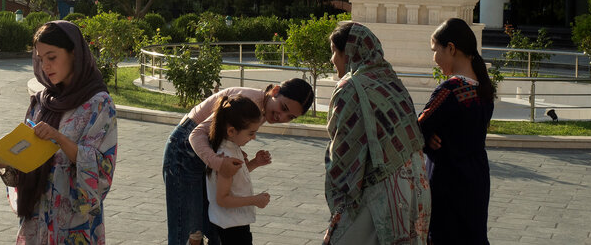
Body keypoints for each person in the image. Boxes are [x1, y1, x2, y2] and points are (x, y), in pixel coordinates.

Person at [0, 20, 117, 244]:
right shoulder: (43, 102)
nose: (46, 66)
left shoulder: (98, 104)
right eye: (40, 59)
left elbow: (100, 167)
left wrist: (58, 138)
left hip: (74, 224)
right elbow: (25, 158)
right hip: (37, 220)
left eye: (52, 57)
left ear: (74, 54)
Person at [163, 78, 314, 245]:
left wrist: (235, 152)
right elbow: (197, 134)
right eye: (283, 108)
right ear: (275, 91)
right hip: (184, 151)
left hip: (205, 154)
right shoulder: (250, 102)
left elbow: (223, 135)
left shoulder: (264, 107)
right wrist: (219, 163)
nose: (281, 116)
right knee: (186, 229)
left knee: (212, 227)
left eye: (290, 116)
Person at [324, 21, 430, 244]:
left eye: (334, 52)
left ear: (349, 52)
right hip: (413, 184)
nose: (332, 60)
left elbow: (343, 150)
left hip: (377, 190)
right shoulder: (391, 80)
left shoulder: (350, 87)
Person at [418, 18, 495, 245]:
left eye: (435, 50)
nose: (434, 58)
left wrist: (425, 138)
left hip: (447, 182)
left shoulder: (450, 90)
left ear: (451, 48)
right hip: (477, 179)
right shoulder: (483, 87)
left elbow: (414, 131)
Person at [204, 95, 272, 245]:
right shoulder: (226, 157)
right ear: (231, 131)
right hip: (231, 226)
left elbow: (234, 177)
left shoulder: (231, 148)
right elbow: (222, 199)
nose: (254, 137)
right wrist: (255, 200)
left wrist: (254, 163)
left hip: (232, 223)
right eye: (250, 133)